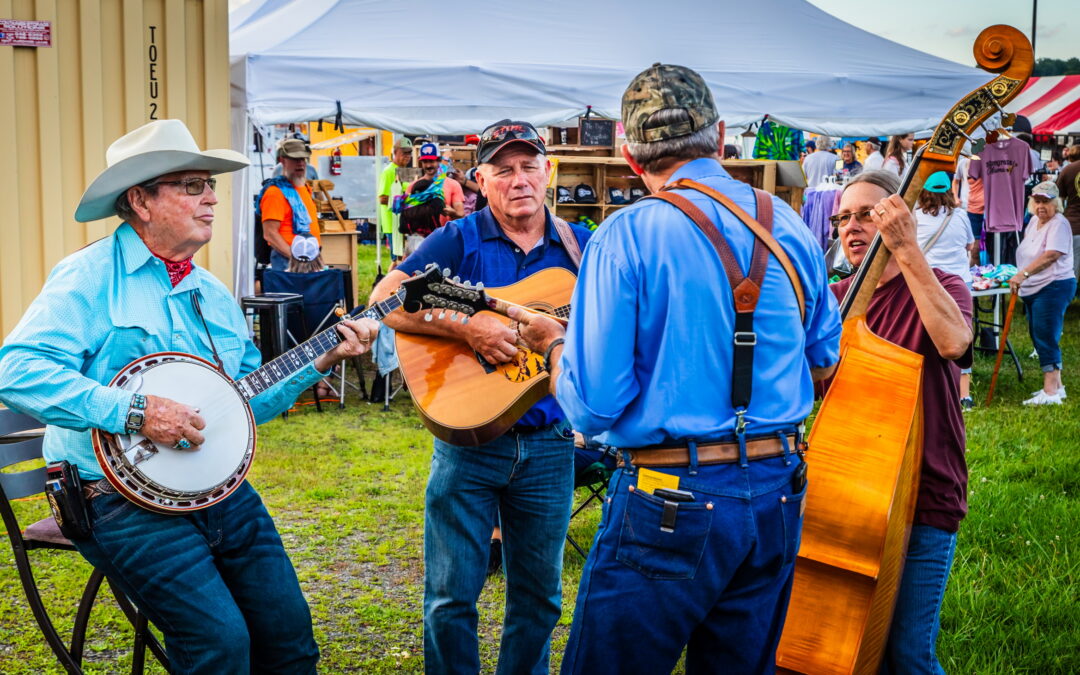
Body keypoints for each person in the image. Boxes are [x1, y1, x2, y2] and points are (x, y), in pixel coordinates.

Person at [0, 119, 379, 674]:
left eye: (211, 186)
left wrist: (320, 359)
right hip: (114, 500)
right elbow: (18, 370)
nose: (210, 198)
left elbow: (248, 399)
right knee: (219, 645)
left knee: (289, 636)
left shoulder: (211, 292)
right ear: (141, 201)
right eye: (191, 185)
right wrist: (135, 411)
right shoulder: (88, 276)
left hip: (217, 490)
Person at [512, 63, 842, 674]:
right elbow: (825, 362)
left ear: (631, 157)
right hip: (778, 490)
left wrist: (555, 347)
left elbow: (593, 407)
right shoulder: (791, 224)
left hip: (669, 498)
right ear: (718, 139)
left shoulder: (626, 234)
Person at [370, 119, 592, 675]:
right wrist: (467, 328)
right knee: (450, 597)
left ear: (548, 172)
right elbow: (386, 299)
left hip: (550, 444)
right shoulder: (460, 240)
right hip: (468, 442)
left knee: (539, 599)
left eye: (528, 167)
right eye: (504, 170)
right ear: (481, 180)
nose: (519, 180)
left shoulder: (581, 247)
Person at [831, 170, 972, 674]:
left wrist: (908, 251)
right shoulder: (836, 301)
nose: (851, 227)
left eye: (867, 214)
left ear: (898, 218)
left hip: (923, 496)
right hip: (847, 501)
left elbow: (955, 343)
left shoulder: (943, 284)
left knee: (907, 655)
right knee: (852, 654)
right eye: (842, 218)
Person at [1009, 181, 1076, 405]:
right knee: (1039, 335)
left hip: (1054, 285)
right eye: (1037, 201)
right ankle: (1058, 386)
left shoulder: (1059, 223)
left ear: (1056, 203)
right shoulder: (1034, 222)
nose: (1041, 206)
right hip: (1035, 287)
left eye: (1046, 202)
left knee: (1045, 336)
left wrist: (1023, 274)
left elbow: (1051, 255)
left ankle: (1050, 393)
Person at [914, 171, 976, 410]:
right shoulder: (960, 216)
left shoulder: (916, 217)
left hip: (929, 284)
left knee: (927, 337)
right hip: (960, 283)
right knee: (962, 337)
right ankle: (964, 395)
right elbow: (970, 245)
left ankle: (929, 389)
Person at [261, 137, 321, 271]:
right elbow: (270, 233)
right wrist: (295, 259)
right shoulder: (275, 193)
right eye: (295, 159)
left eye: (303, 159)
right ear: (282, 161)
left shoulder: (304, 188)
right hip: (288, 261)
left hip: (310, 257)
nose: (300, 163)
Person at [378, 136, 413, 261]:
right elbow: (382, 198)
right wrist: (404, 202)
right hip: (393, 224)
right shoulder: (388, 172)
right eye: (404, 153)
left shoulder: (405, 171)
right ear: (395, 152)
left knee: (403, 258)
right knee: (398, 260)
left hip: (404, 223)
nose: (407, 156)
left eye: (409, 153)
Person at [1056, 144, 1080, 278]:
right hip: (1074, 222)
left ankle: (1072, 291)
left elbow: (1059, 199)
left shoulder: (1067, 169)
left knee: (1073, 261)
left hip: (1073, 222)